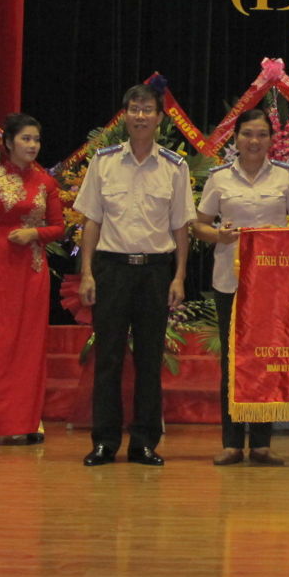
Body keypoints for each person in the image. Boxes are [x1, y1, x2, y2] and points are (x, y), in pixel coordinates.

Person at [73, 84, 192, 467]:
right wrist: (87, 272)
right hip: (111, 269)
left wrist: (179, 277)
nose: (140, 116)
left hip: (155, 272)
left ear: (159, 118)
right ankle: (105, 442)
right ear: (124, 116)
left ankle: (144, 442)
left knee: (149, 360)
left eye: (147, 110)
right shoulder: (104, 162)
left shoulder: (174, 166)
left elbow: (181, 228)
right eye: (134, 109)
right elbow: (92, 221)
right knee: (108, 358)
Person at [193, 109, 289, 467]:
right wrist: (219, 235)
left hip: (272, 284)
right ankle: (231, 443)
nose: (254, 141)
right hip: (230, 281)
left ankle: (261, 443)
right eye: (247, 134)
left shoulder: (284, 177)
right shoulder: (219, 178)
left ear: (272, 140)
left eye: (261, 134)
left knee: (266, 359)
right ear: (236, 138)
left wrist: (278, 235)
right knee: (232, 361)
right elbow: (199, 225)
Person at [0, 113, 64, 445]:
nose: (32, 145)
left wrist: (35, 233)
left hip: (32, 272)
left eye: (36, 140)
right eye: (25, 139)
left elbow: (58, 228)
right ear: (8, 142)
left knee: (28, 348)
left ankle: (27, 421)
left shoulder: (46, 183)